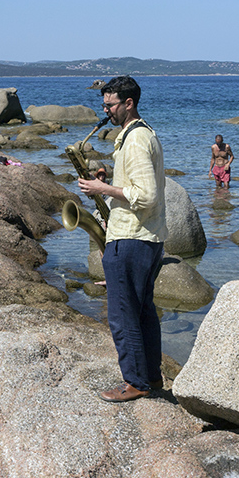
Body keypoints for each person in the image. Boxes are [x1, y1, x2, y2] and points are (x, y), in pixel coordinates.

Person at [78, 76, 167, 403]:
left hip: (131, 238)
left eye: (110, 105)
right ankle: (152, 376)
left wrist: (103, 190)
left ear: (129, 103)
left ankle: (134, 382)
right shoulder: (143, 134)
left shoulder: (134, 141)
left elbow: (147, 196)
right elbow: (139, 188)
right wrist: (110, 183)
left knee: (122, 313)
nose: (105, 111)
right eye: (104, 105)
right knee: (143, 311)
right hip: (148, 238)